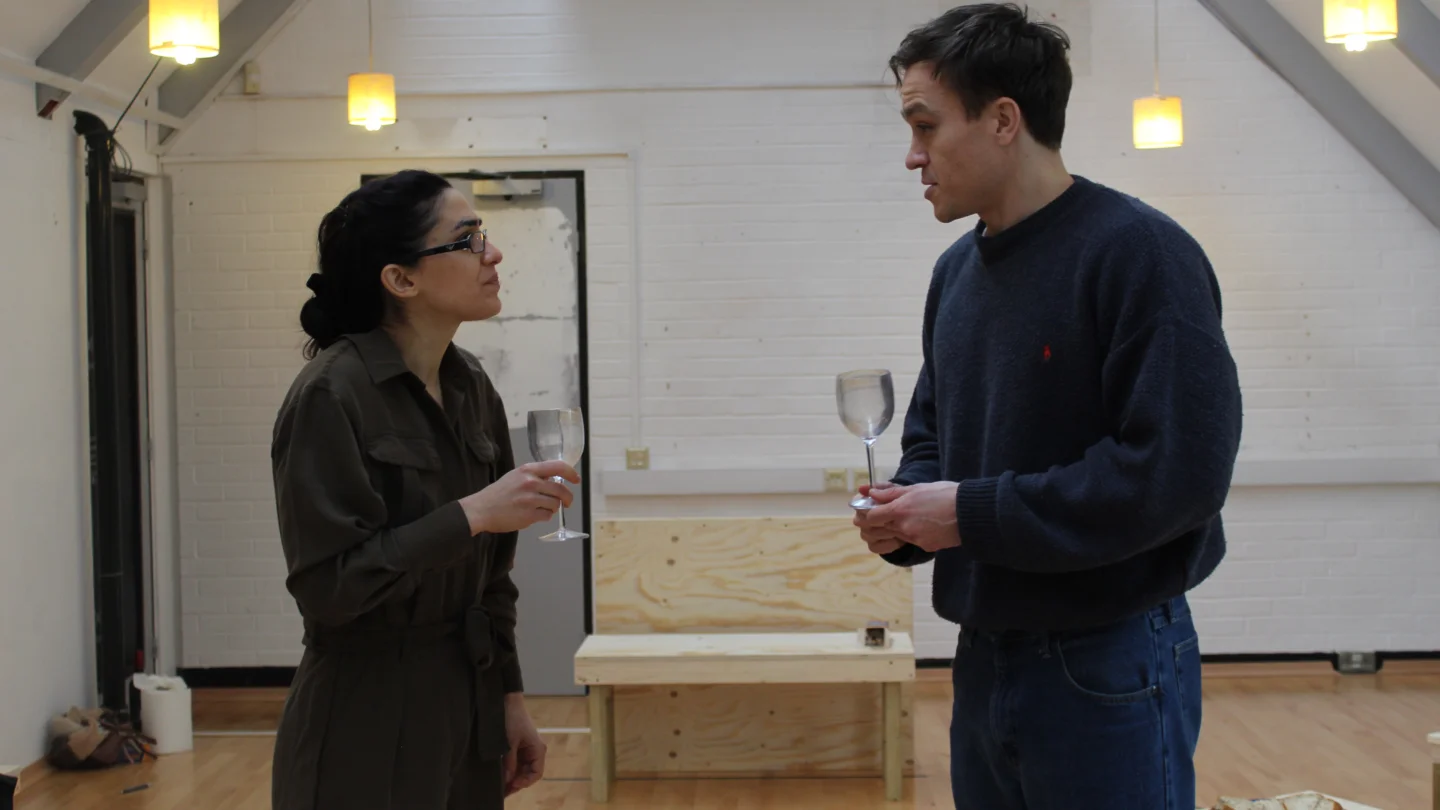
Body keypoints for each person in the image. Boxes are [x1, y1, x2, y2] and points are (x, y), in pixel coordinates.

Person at [853, 4, 1243, 809]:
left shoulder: (1140, 254)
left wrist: (964, 513)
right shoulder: (955, 275)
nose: (911, 156)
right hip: (984, 651)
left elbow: (1174, 474)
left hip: (1111, 657)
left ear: (1003, 120)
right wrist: (907, 508)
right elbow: (934, 436)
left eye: (925, 127)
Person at [269, 169, 580, 810]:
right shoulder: (332, 393)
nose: (492, 254)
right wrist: (469, 515)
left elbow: (493, 579)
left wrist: (509, 700)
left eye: (483, 235)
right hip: (367, 705)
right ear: (401, 279)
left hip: (467, 703)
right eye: (467, 240)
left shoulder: (469, 382)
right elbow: (329, 589)